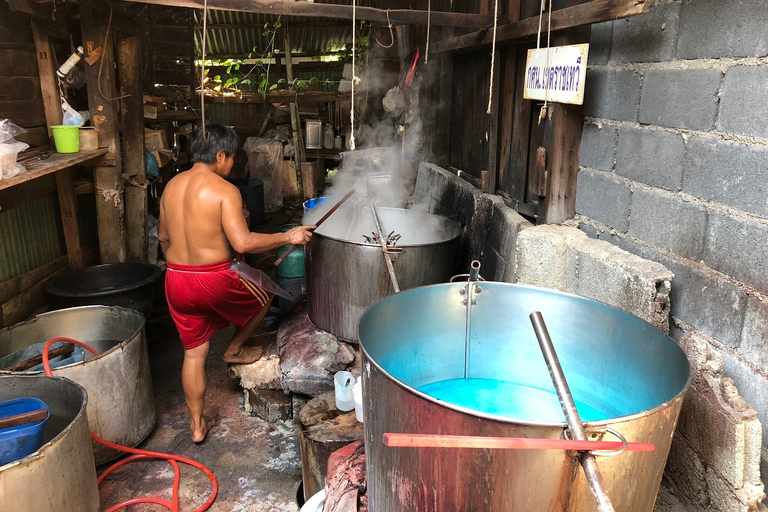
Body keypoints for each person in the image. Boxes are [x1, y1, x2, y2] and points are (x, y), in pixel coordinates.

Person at [158, 124, 314, 442]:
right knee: (266, 292)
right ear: (219, 155)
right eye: (232, 158)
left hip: (175, 279)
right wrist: (288, 236)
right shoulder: (224, 190)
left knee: (193, 354)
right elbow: (242, 242)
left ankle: (197, 427)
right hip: (213, 277)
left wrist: (182, 267)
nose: (232, 165)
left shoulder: (171, 185)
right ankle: (234, 347)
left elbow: (162, 237)